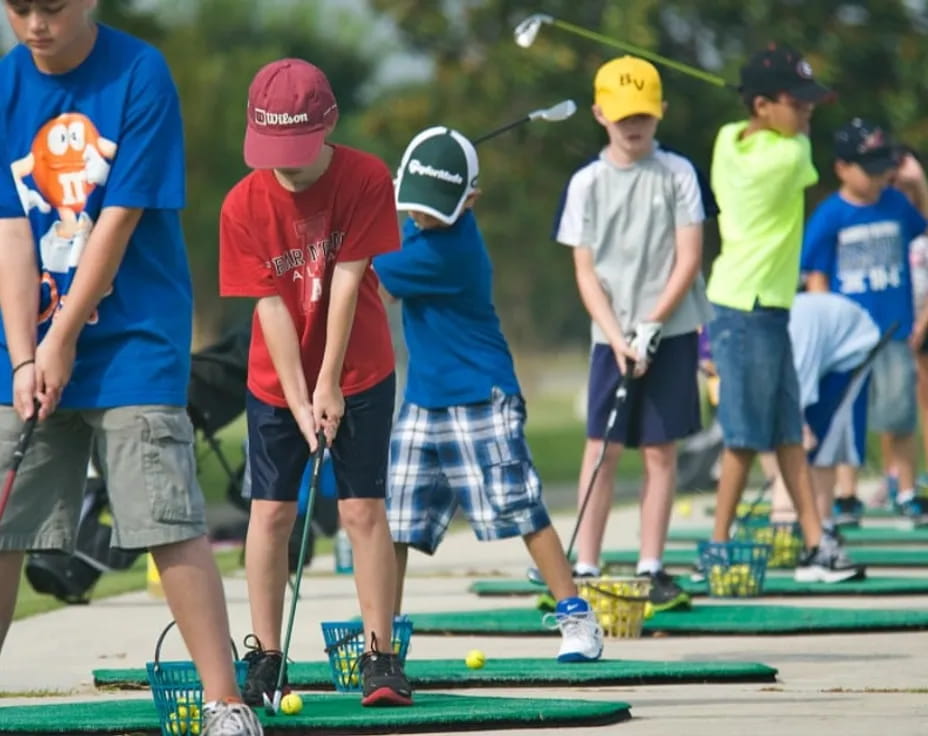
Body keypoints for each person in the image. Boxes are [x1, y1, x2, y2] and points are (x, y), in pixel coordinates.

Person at [0, 2, 262, 734]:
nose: (34, 24)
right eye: (18, 8)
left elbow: (115, 224)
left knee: (165, 518)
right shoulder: (3, 86)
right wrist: (26, 352)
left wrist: (63, 339)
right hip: (28, 350)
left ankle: (226, 703)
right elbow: (12, 231)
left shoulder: (139, 73)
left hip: (133, 344)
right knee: (6, 528)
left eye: (50, 6)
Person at [218, 58, 412, 708]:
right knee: (271, 513)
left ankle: (380, 657)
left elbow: (349, 282)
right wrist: (300, 397)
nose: (286, 164)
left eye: (297, 150)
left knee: (362, 510)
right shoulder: (243, 204)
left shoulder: (365, 176)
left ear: (327, 126)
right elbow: (270, 306)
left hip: (360, 368)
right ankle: (268, 657)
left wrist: (328, 384)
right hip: (275, 379)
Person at [374, 126, 604, 662]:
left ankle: (576, 618)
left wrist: (371, 204)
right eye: (414, 206)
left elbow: (371, 273)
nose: (421, 217)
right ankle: (383, 639)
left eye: (432, 209)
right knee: (395, 523)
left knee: (520, 508)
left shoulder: (448, 252)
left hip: (482, 397)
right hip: (424, 401)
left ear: (470, 200)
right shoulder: (416, 228)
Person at [553, 56, 713, 612]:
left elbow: (689, 256)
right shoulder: (588, 184)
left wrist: (652, 324)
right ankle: (585, 565)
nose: (634, 124)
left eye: (643, 113)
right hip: (611, 335)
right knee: (602, 448)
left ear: (660, 111)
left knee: (660, 451)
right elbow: (584, 269)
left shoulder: (677, 174)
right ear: (600, 114)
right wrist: (619, 333)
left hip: (671, 329)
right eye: (622, 115)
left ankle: (651, 565)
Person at [704, 42, 861, 582]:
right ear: (765, 105)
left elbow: (741, 129)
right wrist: (774, 117)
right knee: (745, 438)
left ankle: (817, 544)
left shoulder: (728, 141)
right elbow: (795, 148)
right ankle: (718, 548)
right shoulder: (791, 158)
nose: (809, 110)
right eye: (798, 103)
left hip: (762, 307)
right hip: (746, 308)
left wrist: (760, 111)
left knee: (788, 431)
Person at [802, 119, 928, 525]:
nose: (877, 178)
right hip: (848, 339)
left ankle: (906, 490)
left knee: (899, 415)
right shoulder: (831, 214)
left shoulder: (896, 204)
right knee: (843, 417)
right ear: (842, 167)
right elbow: (816, 273)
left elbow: (923, 233)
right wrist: (827, 329)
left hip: (893, 331)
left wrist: (918, 184)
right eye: (868, 169)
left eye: (881, 168)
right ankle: (846, 493)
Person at [763, 292, 880, 533]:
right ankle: (797, 521)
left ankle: (822, 525)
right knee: (793, 434)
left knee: (826, 437)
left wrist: (800, 428)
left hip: (852, 346)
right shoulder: (761, 341)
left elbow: (797, 394)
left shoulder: (798, 334)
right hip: (824, 344)